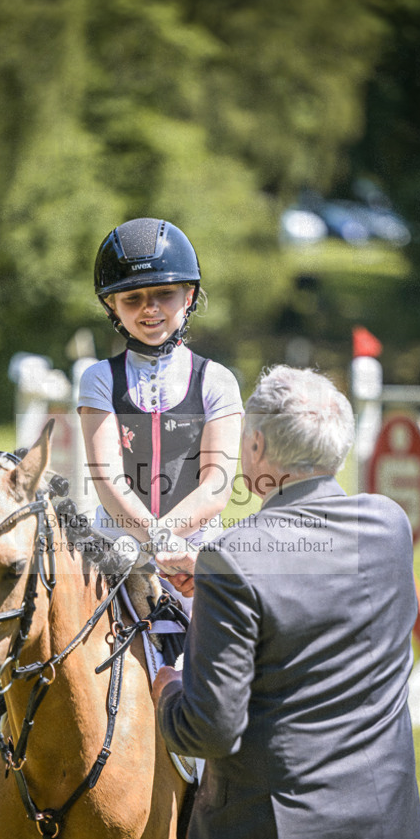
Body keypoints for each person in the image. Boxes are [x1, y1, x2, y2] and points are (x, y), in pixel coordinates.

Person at [151, 364, 420, 839]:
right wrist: (218, 582)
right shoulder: (389, 526)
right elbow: (309, 579)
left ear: (255, 450)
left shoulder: (237, 559)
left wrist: (167, 686)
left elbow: (210, 728)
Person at [77, 217, 242, 573]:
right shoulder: (99, 379)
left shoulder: (217, 380)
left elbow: (216, 486)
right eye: (132, 299)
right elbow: (107, 478)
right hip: (115, 548)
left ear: (189, 295)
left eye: (164, 293)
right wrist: (145, 540)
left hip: (194, 550)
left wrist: (160, 541)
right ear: (112, 306)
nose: (150, 308)